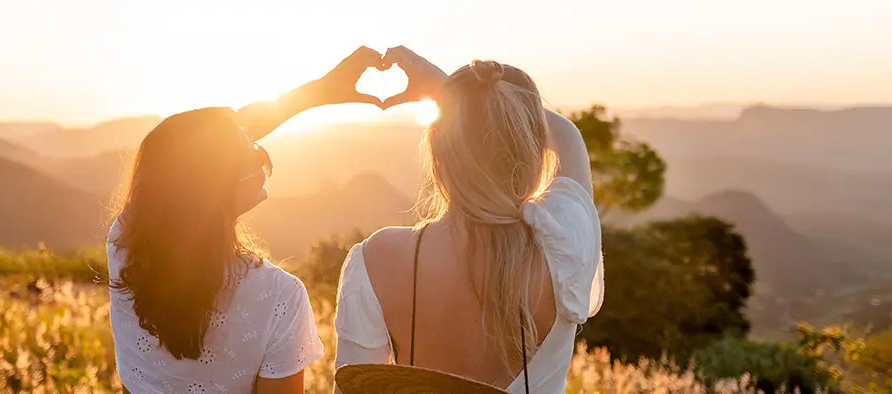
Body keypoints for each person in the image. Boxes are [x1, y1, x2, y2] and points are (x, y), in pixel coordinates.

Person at [107, 46, 388, 394]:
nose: (262, 156)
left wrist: (320, 91)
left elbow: (187, 158)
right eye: (254, 153)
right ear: (223, 186)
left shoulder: (127, 242)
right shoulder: (279, 297)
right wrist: (320, 92)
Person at [333, 47, 604, 393]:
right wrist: (462, 92)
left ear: (437, 156)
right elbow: (567, 137)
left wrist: (460, 97)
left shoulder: (379, 258)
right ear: (535, 155)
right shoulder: (565, 246)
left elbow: (353, 388)